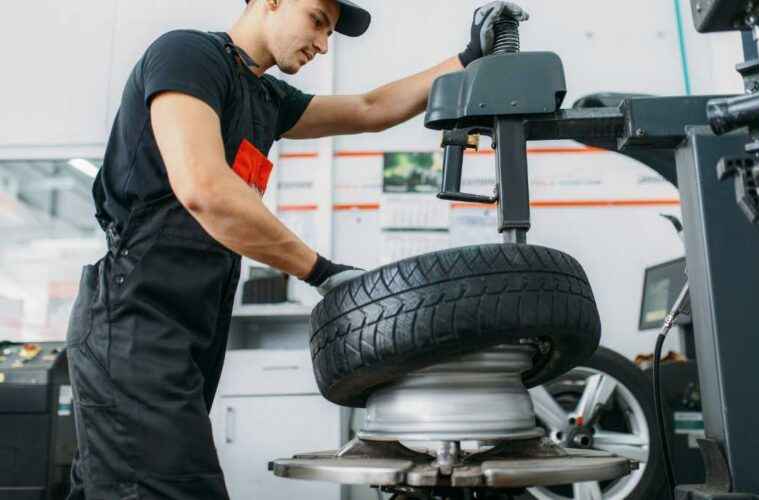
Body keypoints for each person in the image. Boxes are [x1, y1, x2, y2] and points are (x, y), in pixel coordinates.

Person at [65, 0, 530, 498]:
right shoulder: (186, 55)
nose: (323, 44)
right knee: (168, 488)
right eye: (316, 20)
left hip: (191, 323)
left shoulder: (263, 96)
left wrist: (466, 59)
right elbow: (204, 189)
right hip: (134, 316)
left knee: (115, 484)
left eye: (330, 32)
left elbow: (370, 109)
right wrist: (323, 272)